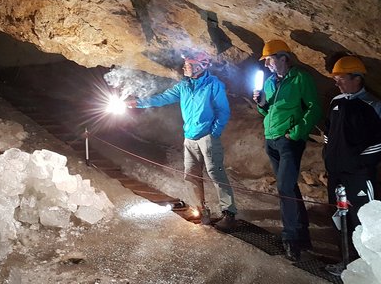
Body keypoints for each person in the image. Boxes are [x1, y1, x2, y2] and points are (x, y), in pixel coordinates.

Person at [126, 51, 237, 230]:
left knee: (215, 173)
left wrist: (213, 133)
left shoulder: (213, 84)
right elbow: (162, 98)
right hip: (190, 136)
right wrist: (138, 103)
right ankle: (200, 210)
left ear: (201, 66)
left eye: (189, 64)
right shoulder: (184, 85)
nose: (185, 67)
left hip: (207, 136)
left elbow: (223, 111)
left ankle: (229, 213)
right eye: (185, 64)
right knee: (191, 174)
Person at [252, 39, 321, 261]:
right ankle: (302, 235)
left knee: (284, 188)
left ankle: (290, 239)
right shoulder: (271, 82)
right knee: (290, 187)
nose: (266, 65)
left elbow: (314, 107)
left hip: (289, 141)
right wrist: (261, 105)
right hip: (271, 140)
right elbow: (269, 112)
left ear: (284, 58)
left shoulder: (301, 78)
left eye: (269, 60)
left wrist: (297, 131)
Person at [323, 55, 381, 276]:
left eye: (341, 78)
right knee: (340, 218)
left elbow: (379, 142)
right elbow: (329, 133)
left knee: (363, 221)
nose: (337, 82)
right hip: (336, 174)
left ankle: (370, 269)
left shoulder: (372, 106)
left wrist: (359, 164)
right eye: (335, 78)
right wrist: (329, 156)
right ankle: (346, 263)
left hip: (358, 176)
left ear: (357, 78)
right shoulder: (336, 102)